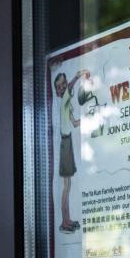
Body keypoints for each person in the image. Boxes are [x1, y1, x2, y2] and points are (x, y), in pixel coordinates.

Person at [53, 69, 89, 234]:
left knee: (68, 185)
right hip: (65, 144)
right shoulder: (65, 99)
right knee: (66, 186)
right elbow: (70, 88)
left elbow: (74, 123)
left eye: (63, 85)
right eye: (59, 87)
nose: (62, 89)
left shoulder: (67, 103)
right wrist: (77, 75)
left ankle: (66, 219)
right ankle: (64, 220)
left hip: (67, 144)